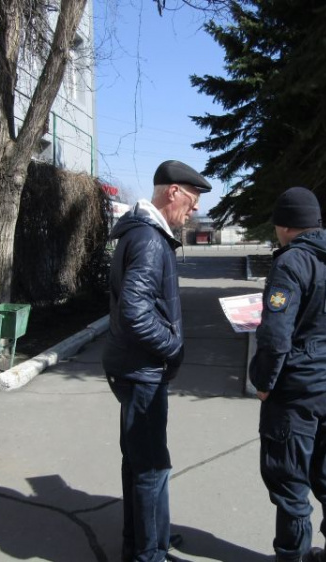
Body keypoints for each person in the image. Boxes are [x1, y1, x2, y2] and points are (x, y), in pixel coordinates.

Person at [249, 187, 326, 562]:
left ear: (284, 226)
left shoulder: (291, 263)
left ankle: (292, 557)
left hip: (295, 393)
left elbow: (274, 337)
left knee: (290, 482)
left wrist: (265, 385)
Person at [102, 160, 211, 562]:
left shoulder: (143, 233)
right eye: (192, 199)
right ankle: (149, 555)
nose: (194, 209)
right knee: (151, 468)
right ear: (173, 192)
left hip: (132, 366)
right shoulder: (149, 239)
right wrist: (173, 346)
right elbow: (134, 311)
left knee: (138, 462)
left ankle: (146, 541)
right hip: (141, 370)